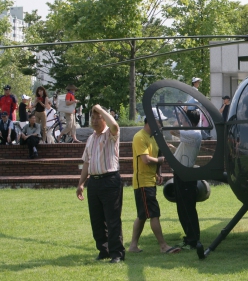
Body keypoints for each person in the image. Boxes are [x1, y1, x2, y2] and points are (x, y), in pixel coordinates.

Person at [76, 105, 125, 263]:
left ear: (104, 118)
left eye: (98, 117)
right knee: (97, 220)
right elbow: (86, 162)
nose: (95, 121)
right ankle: (104, 250)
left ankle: (117, 253)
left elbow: (115, 125)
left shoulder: (110, 134)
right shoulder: (91, 138)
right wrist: (81, 183)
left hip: (110, 180)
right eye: (93, 117)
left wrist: (101, 109)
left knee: (112, 218)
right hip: (94, 182)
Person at [129, 108, 181, 255]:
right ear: (151, 121)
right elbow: (145, 160)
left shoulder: (153, 137)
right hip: (143, 182)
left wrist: (159, 172)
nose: (161, 124)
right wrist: (161, 160)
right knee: (153, 214)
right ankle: (163, 246)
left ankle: (133, 246)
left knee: (142, 215)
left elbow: (157, 153)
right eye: (160, 121)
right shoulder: (140, 137)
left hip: (150, 180)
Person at [169, 109, 205, 260]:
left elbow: (173, 129)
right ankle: (190, 237)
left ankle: (193, 239)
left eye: (184, 119)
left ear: (188, 121)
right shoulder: (191, 133)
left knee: (187, 208)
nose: (182, 121)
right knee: (183, 207)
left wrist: (179, 114)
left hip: (186, 175)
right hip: (181, 173)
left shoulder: (194, 133)